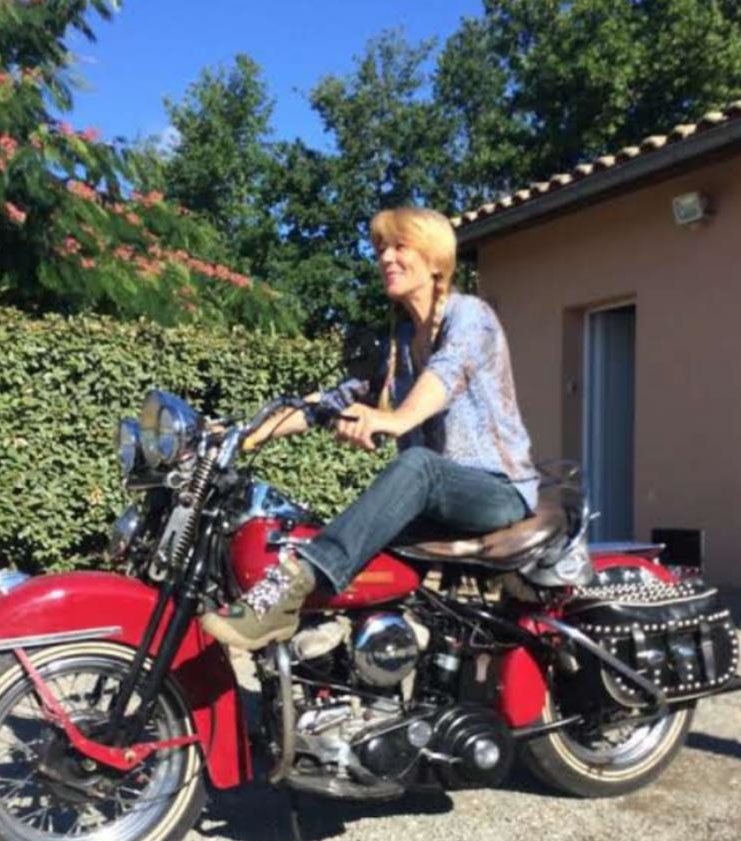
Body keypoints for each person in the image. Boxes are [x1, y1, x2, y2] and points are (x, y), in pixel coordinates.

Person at [201, 206, 539, 650]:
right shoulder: (400, 343)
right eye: (381, 249)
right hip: (433, 504)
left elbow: (446, 374)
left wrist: (394, 419)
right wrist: (245, 435)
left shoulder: (470, 316)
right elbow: (333, 402)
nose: (385, 258)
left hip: (496, 490)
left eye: (400, 247)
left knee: (418, 465)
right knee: (345, 534)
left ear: (434, 258)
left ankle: (290, 587)